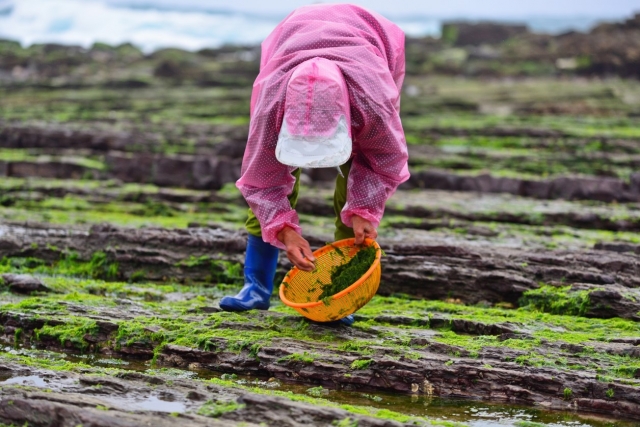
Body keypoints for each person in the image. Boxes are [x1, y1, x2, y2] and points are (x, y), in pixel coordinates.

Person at [219, 4, 410, 324]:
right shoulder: (271, 104)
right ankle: (255, 287)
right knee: (268, 175)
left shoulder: (374, 100)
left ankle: (337, 288)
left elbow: (383, 160)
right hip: (290, 42)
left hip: (371, 44)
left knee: (357, 180)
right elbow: (260, 180)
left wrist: (365, 210)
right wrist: (284, 231)